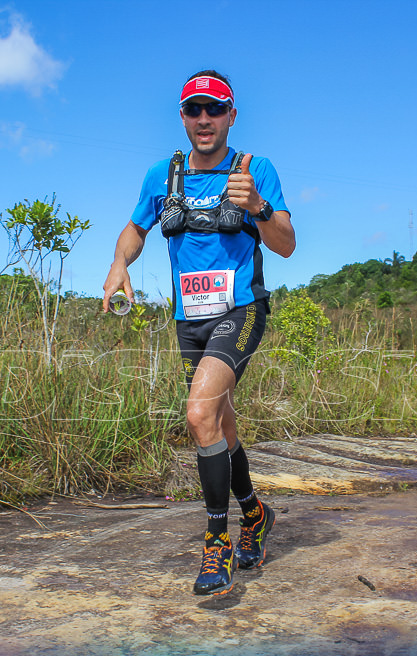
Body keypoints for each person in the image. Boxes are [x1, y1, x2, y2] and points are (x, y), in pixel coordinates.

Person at [102, 70, 295, 596]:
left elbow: (285, 245)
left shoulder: (254, 170)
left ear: (232, 115)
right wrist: (119, 264)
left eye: (215, 109)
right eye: (194, 110)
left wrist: (257, 205)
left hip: (240, 309)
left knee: (198, 413)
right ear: (183, 118)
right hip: (190, 319)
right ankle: (255, 514)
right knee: (221, 425)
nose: (204, 119)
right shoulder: (162, 177)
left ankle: (217, 542)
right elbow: (136, 230)